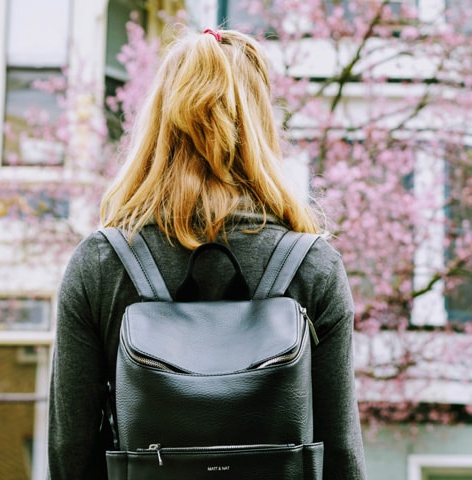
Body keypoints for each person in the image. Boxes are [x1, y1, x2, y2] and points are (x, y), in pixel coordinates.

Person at [48, 28, 367, 479]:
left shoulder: (101, 265)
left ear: (158, 122)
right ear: (260, 125)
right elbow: (341, 456)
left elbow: (70, 452)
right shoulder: (312, 267)